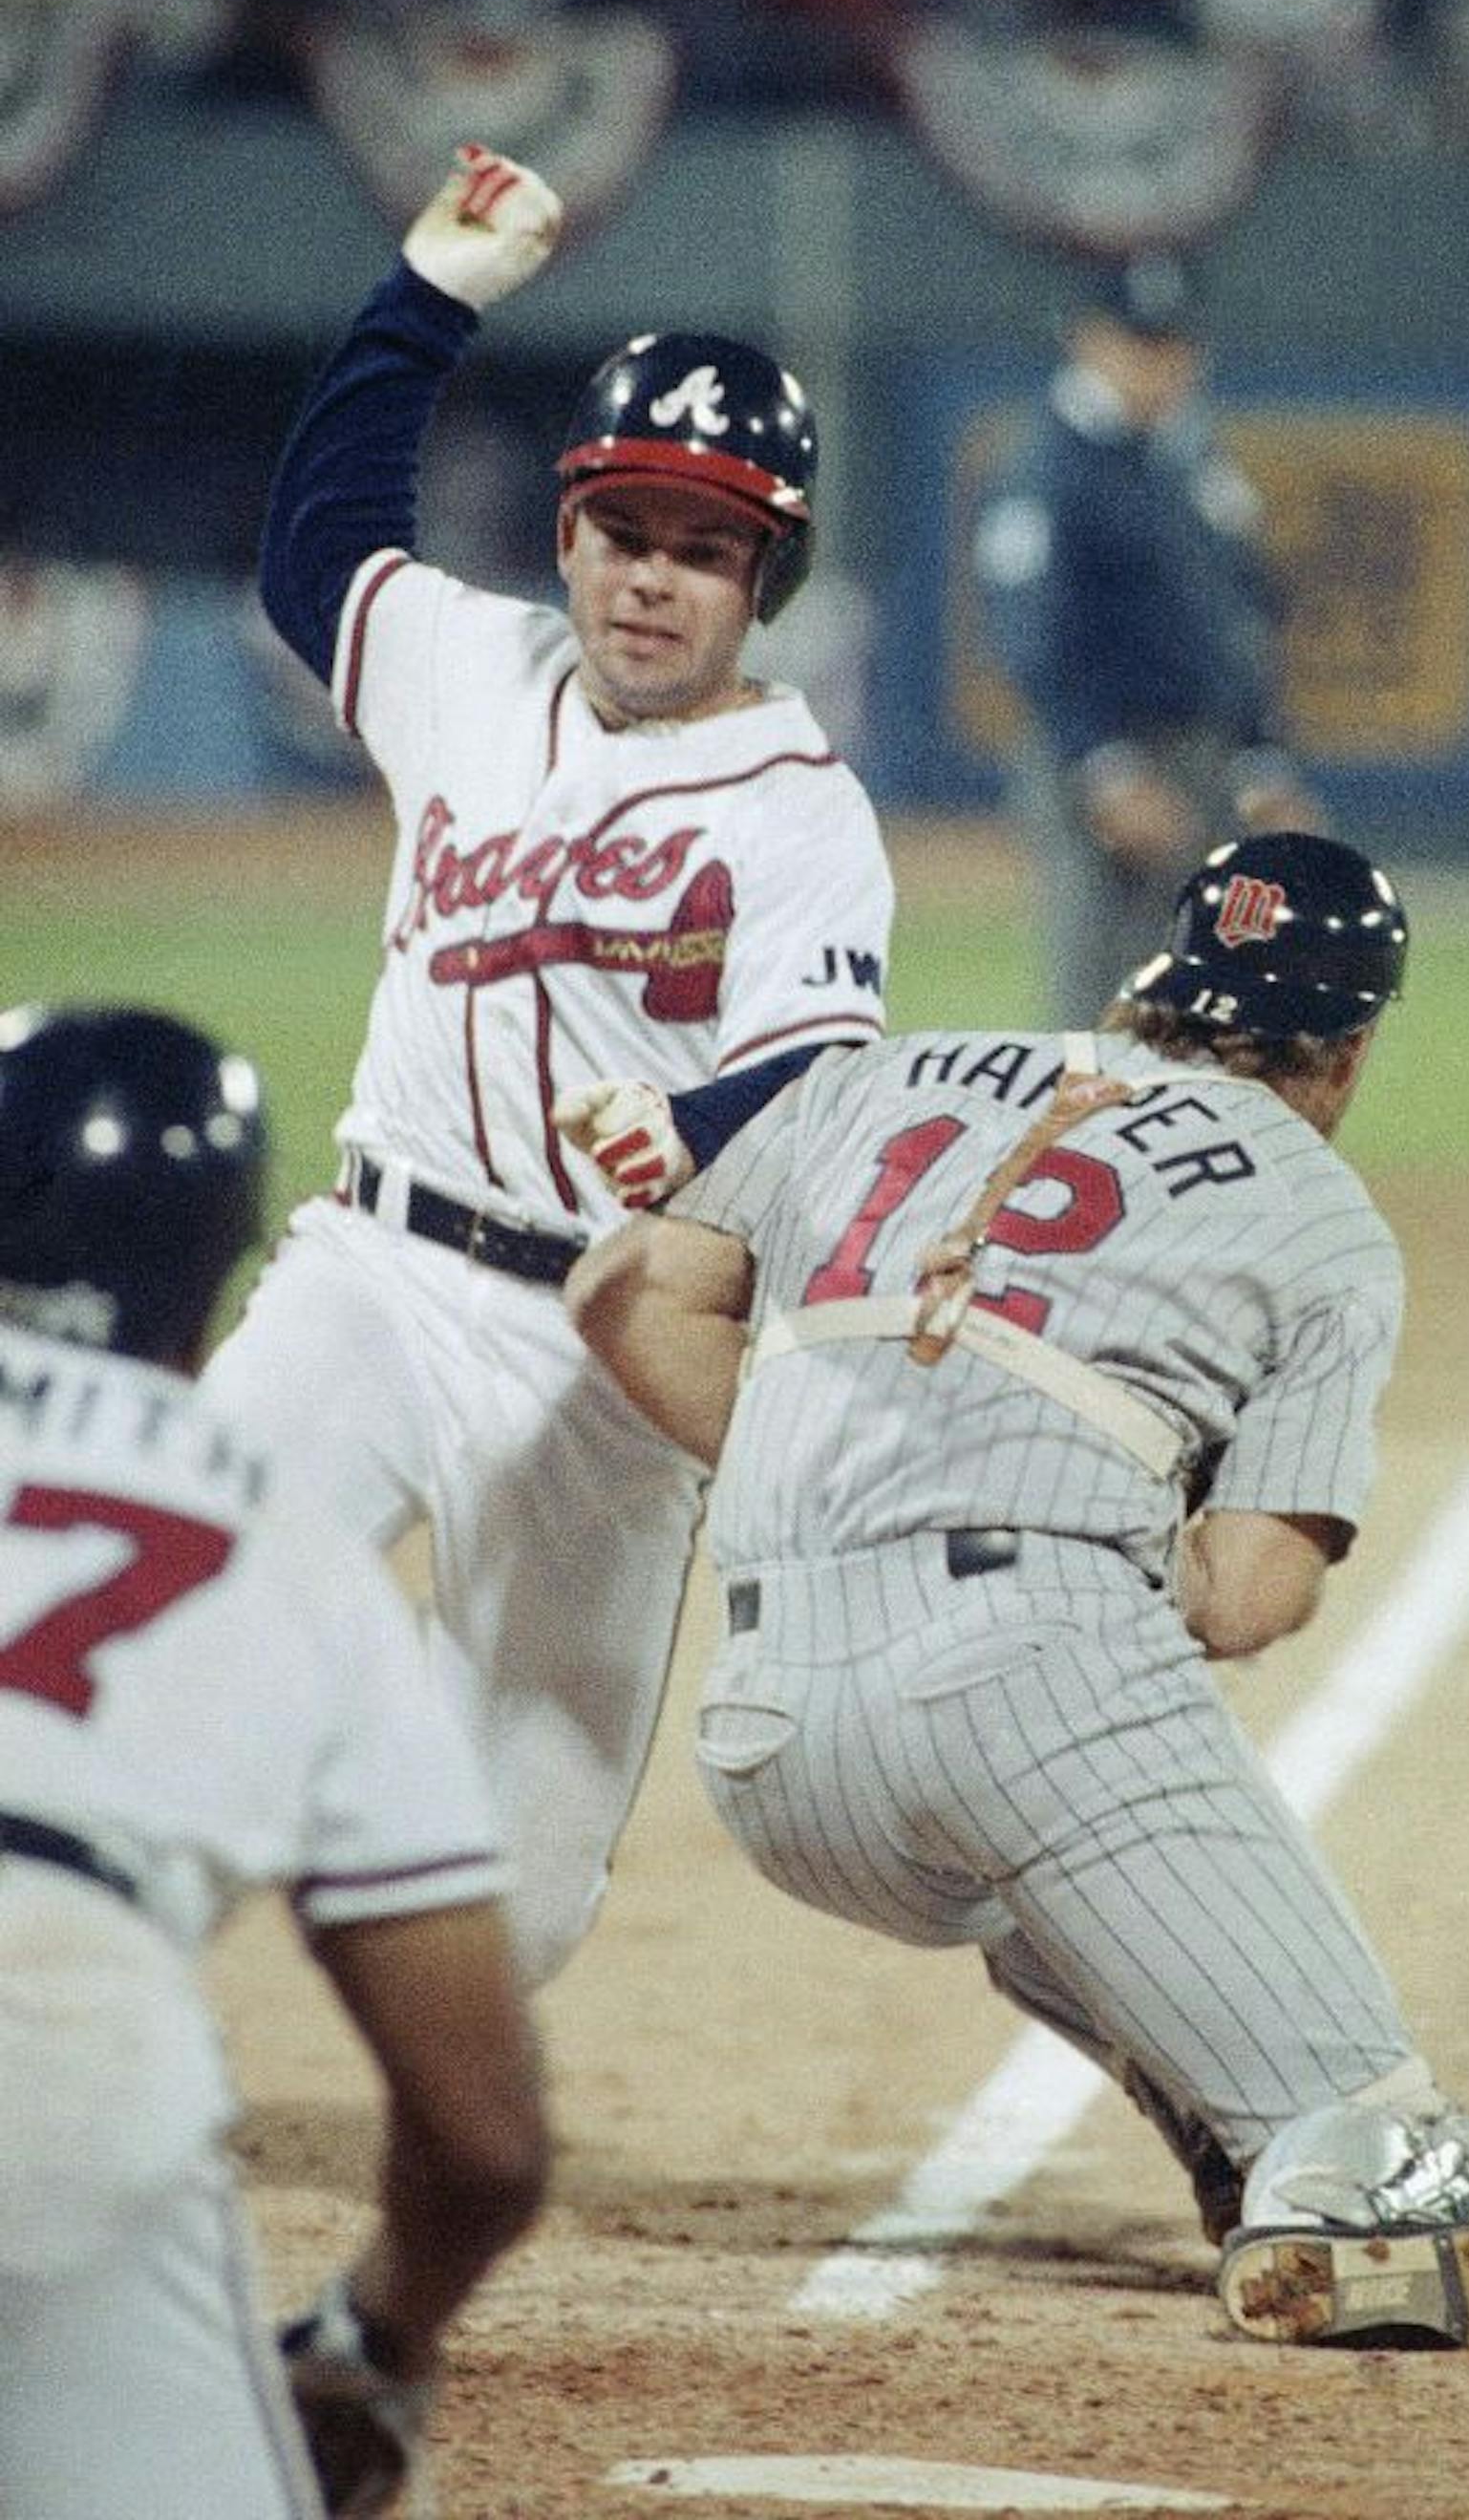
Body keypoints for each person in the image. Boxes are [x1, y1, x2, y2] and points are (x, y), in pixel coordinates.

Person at [563, 834, 1469, 2354]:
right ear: (1354, 1043)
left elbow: (618, 1290)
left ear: (1162, 980)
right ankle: (1324, 2181)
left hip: (766, 1740)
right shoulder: (1320, 1210)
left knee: (1034, 1856)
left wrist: (843, 1462)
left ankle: (1232, 2115)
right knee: (1424, 2164)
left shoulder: (882, 1071)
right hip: (1018, 1700)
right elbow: (1251, 1593)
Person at [200, 140, 896, 1987]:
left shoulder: (801, 809)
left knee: (502, 1922)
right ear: (569, 529)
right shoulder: (467, 667)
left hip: (600, 1351)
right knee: (172, 1602)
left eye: (707, 547)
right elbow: (316, 551)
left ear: (764, 578)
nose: (653, 580)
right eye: (625, 530)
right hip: (377, 1270)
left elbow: (822, 1067)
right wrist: (421, 303)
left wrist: (687, 1122)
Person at [0, 1003, 549, 2519]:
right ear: (222, 1276)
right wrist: (377, 2341)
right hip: (56, 2044)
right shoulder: (279, 1529)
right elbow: (485, 2139)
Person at [972, 253, 1324, 1025]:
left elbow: (1244, 617)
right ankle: (1077, 1149)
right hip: (1103, 762)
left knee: (1222, 1007)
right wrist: (1104, 769)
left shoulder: (1188, 458)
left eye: (1176, 341)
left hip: (1208, 759)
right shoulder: (1044, 466)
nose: (1164, 362)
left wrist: (1264, 756)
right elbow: (1030, 634)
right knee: (1104, 1009)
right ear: (1088, 341)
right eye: (1141, 341)